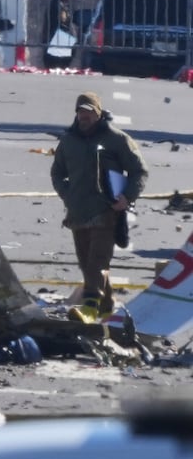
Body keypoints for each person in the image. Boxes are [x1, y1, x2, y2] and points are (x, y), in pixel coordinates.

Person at [50, 91, 147, 322]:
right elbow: (57, 172)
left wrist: (127, 196)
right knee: (87, 263)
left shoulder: (117, 139)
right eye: (81, 112)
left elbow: (139, 171)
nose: (85, 116)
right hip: (77, 212)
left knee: (98, 261)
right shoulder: (68, 141)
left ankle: (90, 308)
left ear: (98, 113)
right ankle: (107, 306)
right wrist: (67, 194)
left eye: (89, 112)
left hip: (106, 211)